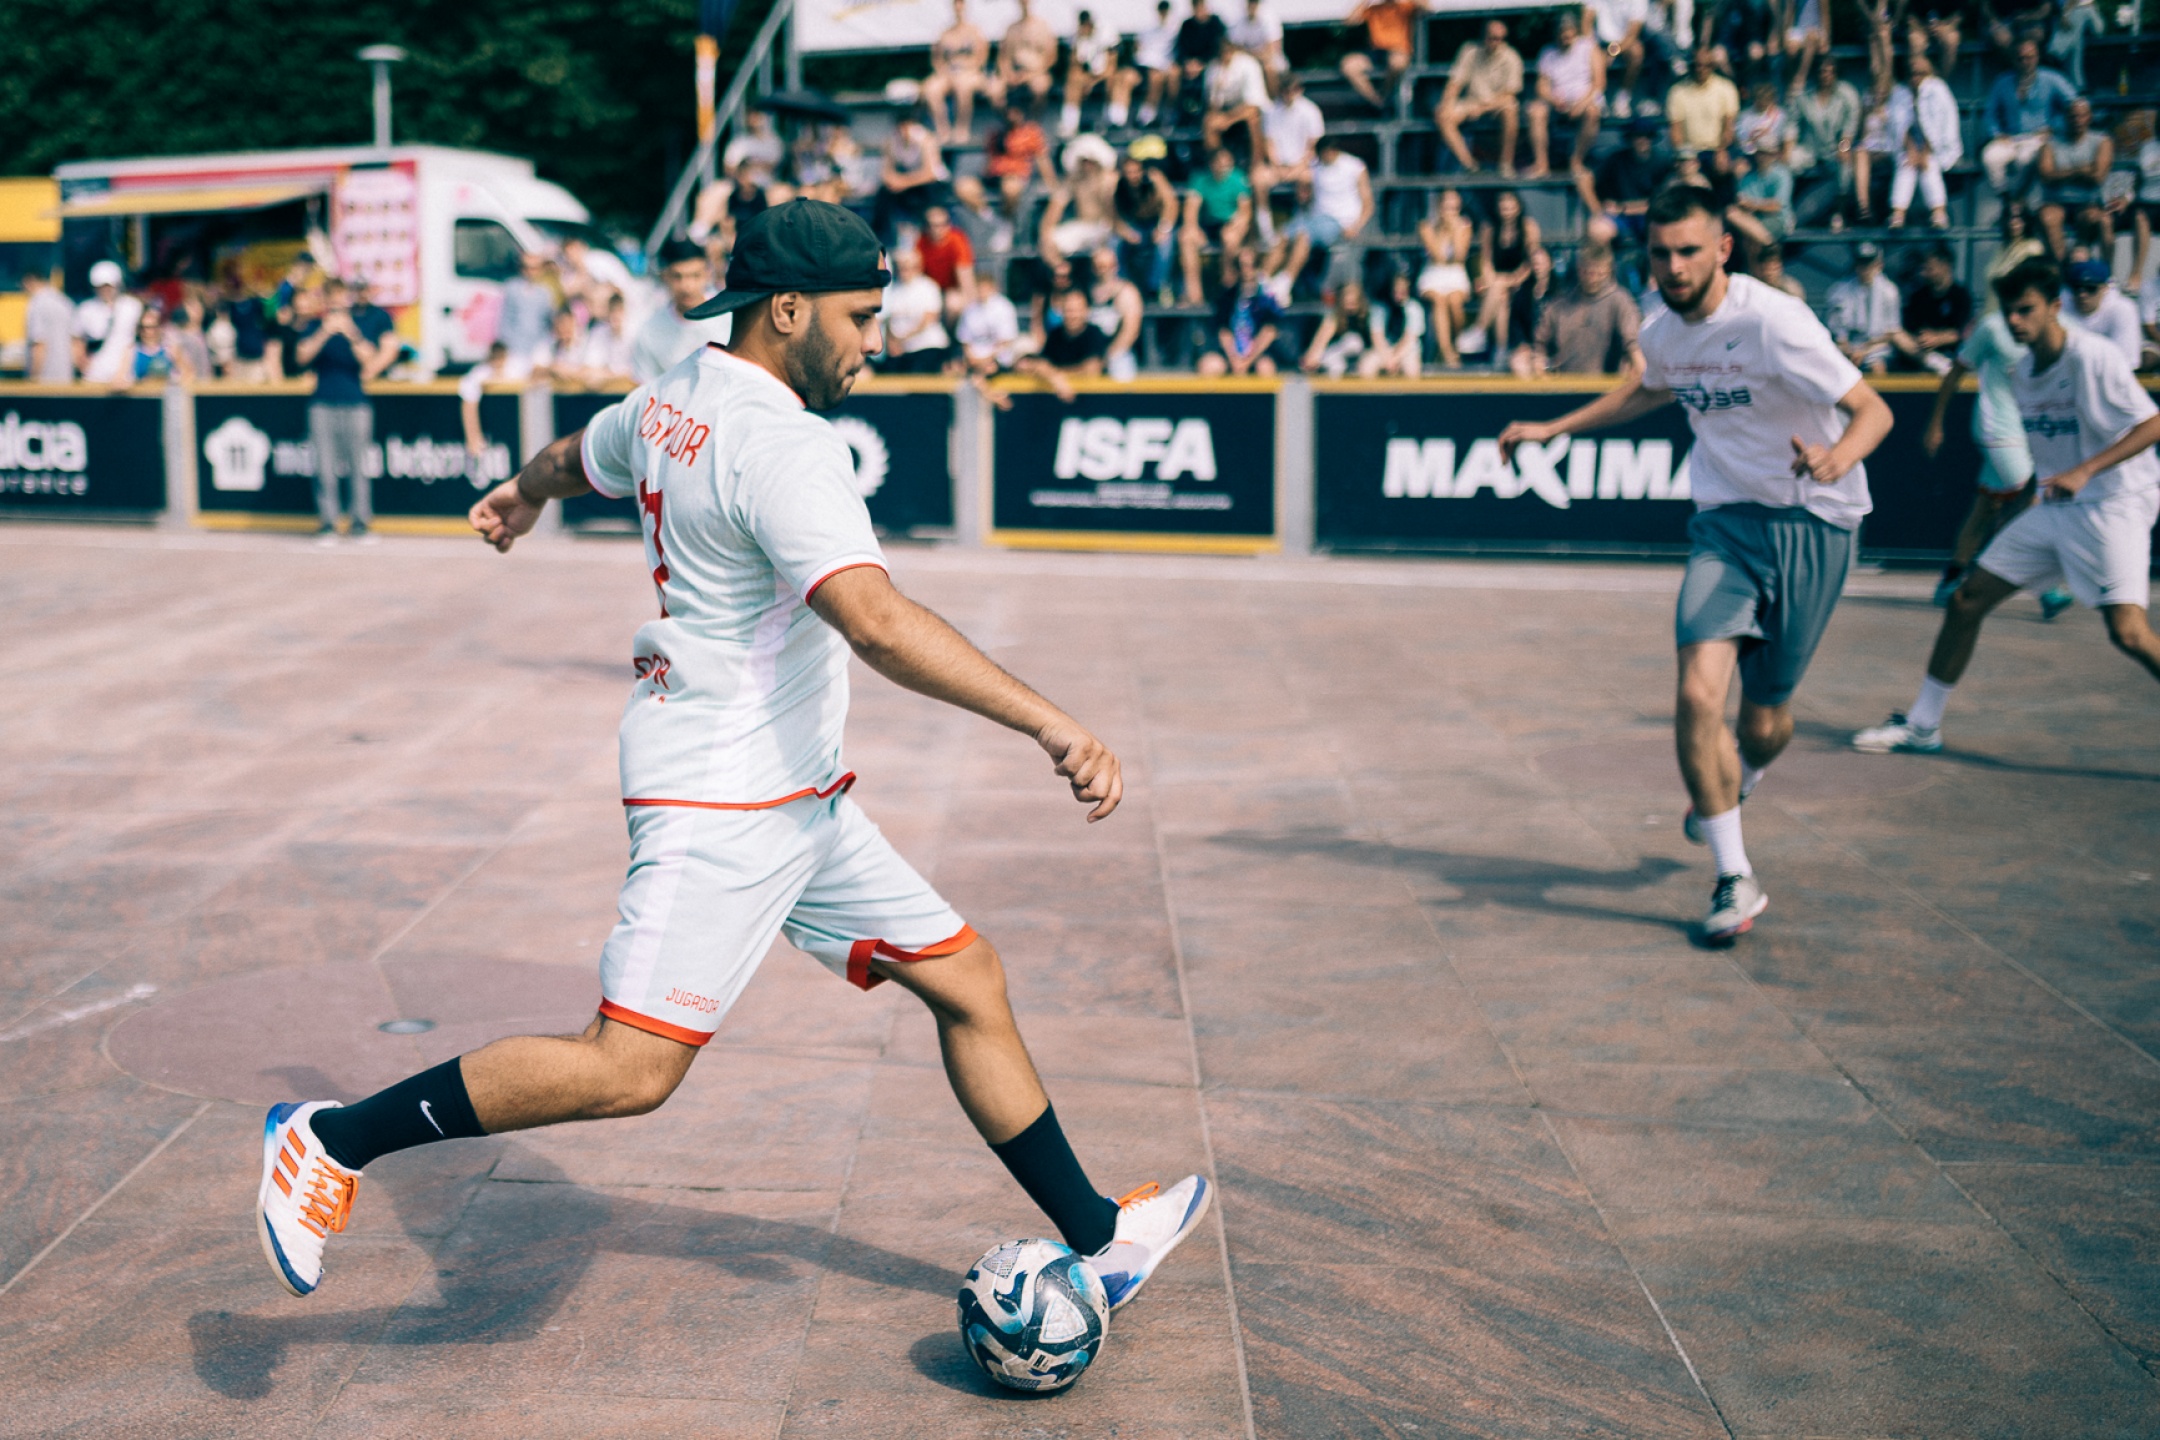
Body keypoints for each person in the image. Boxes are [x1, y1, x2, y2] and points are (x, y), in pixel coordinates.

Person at [260, 200, 1212, 1322]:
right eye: (861, 318)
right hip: (723, 794)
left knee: (968, 981)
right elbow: (876, 623)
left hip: (795, 792)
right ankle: (331, 1139)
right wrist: (1053, 724)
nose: (875, 343)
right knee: (628, 1068)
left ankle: (1100, 1239)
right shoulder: (784, 446)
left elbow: (575, 455)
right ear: (788, 311)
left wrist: (522, 493)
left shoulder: (672, 394)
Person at [1499, 184, 1893, 942]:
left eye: (1688, 252)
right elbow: (1646, 390)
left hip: (1814, 523)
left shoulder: (1774, 322)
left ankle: (1741, 777)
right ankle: (1733, 876)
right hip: (1724, 526)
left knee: (1765, 722)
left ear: (1723, 249)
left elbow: (1875, 409)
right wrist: (1555, 427)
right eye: (1661, 254)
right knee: (1695, 695)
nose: (1674, 267)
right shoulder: (1662, 330)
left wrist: (1838, 458)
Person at [1854, 255, 2160, 754]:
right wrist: (2037, 496)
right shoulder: (2023, 372)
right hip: (2056, 508)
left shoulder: (2092, 357)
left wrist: (2086, 470)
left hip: (2114, 504)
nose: (2015, 321)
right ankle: (1923, 726)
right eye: (2009, 311)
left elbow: (2153, 423)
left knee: (2128, 632)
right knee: (1966, 600)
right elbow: (2051, 451)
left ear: (2055, 307)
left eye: (2026, 310)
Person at [1920, 304, 2034, 606]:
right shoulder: (1992, 327)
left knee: (1986, 507)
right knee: (2032, 498)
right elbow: (1955, 372)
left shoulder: (2057, 327)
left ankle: (1951, 578)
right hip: (1995, 427)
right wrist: (1935, 422)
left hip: (2026, 430)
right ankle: (2043, 587)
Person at [293, 278, 382, 542]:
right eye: (331, 297)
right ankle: (328, 523)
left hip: (356, 403)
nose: (337, 302)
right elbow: (301, 356)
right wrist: (324, 331)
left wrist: (350, 332)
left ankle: (359, 523)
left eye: (341, 297)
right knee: (324, 467)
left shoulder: (360, 325)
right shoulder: (313, 325)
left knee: (358, 467)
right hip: (322, 402)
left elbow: (369, 358)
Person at [1981, 38, 2075, 199]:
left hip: (2039, 137)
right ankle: (2005, 197)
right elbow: (1990, 113)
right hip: (2010, 137)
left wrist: (2055, 126)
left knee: (2025, 160)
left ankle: (2019, 200)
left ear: (2037, 57)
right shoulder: (2002, 82)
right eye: (2021, 58)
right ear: (2014, 59)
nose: (2025, 62)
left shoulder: (2051, 78)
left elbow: (2074, 104)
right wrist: (1996, 133)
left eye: (2029, 57)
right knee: (1990, 156)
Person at [1278, 135, 1371, 296]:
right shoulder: (1314, 167)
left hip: (1339, 222)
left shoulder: (1355, 167)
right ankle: (1264, 282)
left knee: (1303, 236)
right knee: (1281, 237)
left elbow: (1368, 204)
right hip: (1314, 219)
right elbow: (1289, 177)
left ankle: (1284, 284)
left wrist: (1356, 227)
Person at [1531, 242, 1642, 376]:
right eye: (1587, 272)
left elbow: (1633, 344)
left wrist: (1637, 370)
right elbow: (1540, 344)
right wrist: (1538, 362)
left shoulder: (1621, 301)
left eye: (1597, 273)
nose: (1592, 278)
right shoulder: (1560, 304)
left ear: (1608, 270)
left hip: (1608, 384)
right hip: (1565, 383)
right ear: (1579, 268)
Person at [634, 238, 733, 382]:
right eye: (677, 277)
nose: (687, 286)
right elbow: (646, 385)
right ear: (665, 277)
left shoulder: (731, 318)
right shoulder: (650, 331)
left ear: (707, 274)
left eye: (695, 276)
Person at [1435, 18, 1524, 176]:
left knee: (1511, 109)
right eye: (1492, 37)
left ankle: (1505, 165)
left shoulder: (1512, 57)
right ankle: (1470, 165)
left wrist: (1482, 109)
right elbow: (1454, 83)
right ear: (1484, 36)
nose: (1495, 42)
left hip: (1496, 105)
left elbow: (1510, 95)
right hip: (1471, 102)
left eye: (1499, 38)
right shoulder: (1469, 51)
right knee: (1442, 114)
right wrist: (1447, 103)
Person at [1528, 10, 1606, 178]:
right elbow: (1541, 86)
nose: (1565, 35)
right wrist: (1553, 100)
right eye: (1562, 31)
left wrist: (1580, 105)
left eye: (1569, 30)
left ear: (1575, 30)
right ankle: (1541, 164)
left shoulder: (1589, 47)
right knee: (1535, 111)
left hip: (1585, 100)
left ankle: (1576, 161)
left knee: (1592, 112)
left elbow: (1599, 83)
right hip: (1558, 102)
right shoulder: (1547, 53)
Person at [1791, 55, 1862, 227]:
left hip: (1835, 149)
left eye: (1830, 72)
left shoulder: (1848, 94)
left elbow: (1851, 125)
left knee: (1845, 166)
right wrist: (1788, 148)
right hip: (1810, 148)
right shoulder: (1804, 96)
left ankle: (1839, 212)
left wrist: (1843, 147)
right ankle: (1785, 209)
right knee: (1790, 160)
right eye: (1822, 71)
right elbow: (1792, 124)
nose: (1826, 75)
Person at [2037, 99, 2112, 260]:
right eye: (2073, 116)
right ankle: (2060, 267)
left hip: (2088, 202)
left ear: (2089, 117)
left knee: (2094, 217)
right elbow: (2046, 177)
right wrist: (2080, 171)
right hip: (2056, 201)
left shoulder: (2102, 141)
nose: (2077, 120)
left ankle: (2080, 258)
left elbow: (2098, 177)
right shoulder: (2050, 144)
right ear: (2066, 118)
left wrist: (2061, 174)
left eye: (2082, 116)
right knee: (2047, 218)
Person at [1178, 145, 1254, 304]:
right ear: (1211, 164)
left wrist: (1234, 226)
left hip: (1231, 224)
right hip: (1208, 224)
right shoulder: (1200, 179)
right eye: (1220, 163)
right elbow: (1191, 209)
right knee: (1185, 237)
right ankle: (1194, 294)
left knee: (1229, 237)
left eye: (1227, 163)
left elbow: (1245, 213)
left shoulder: (1238, 179)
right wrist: (1193, 228)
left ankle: (1227, 284)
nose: (1223, 167)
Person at [1472, 188, 1539, 364]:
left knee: (1499, 289)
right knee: (1501, 299)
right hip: (1496, 280)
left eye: (1510, 205)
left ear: (1518, 206)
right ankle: (1502, 350)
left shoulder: (1528, 226)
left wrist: (1513, 280)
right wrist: (1492, 280)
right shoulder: (1489, 228)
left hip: (1522, 280)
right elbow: (1486, 260)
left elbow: (1531, 261)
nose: (1507, 209)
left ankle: (1479, 329)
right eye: (1503, 205)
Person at [1587, 116, 1669, 249]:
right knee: (1598, 230)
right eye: (1637, 136)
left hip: (1649, 216)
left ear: (1652, 138)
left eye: (1647, 136)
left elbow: (1659, 202)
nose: (1642, 140)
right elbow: (1589, 179)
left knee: (1665, 229)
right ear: (1630, 139)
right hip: (1619, 217)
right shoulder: (1616, 160)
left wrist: (1623, 208)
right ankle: (1604, 263)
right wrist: (1599, 207)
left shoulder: (1662, 162)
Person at [1199, 245, 1283, 375]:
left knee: (1265, 368)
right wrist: (1234, 359)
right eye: (1241, 266)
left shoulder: (1267, 297)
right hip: (1230, 354)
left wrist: (1248, 361)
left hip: (1257, 354)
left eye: (1252, 265)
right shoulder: (1227, 296)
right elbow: (1224, 330)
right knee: (1208, 365)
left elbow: (1269, 331)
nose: (1246, 270)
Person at [1113, 143, 1181, 302]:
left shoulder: (1155, 178)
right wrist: (1125, 232)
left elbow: (1171, 204)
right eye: (1128, 172)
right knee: (1114, 242)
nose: (1132, 176)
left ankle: (1156, 287)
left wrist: (1163, 229)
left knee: (1165, 243)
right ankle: (1119, 285)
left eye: (1135, 171)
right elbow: (1113, 216)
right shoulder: (1117, 185)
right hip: (1134, 224)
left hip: (1157, 222)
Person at [924, 0, 1000, 141]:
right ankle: (943, 130)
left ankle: (961, 129)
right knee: (931, 88)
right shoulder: (945, 33)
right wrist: (945, 72)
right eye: (955, 4)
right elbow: (937, 58)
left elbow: (982, 56)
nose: (958, 7)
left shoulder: (975, 31)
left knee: (963, 85)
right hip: (948, 73)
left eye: (961, 3)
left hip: (970, 72)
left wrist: (968, 68)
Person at [1416, 187, 1475, 367]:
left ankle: (1454, 345)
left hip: (1456, 274)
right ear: (1439, 206)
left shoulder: (1465, 225)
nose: (1450, 211)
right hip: (1433, 274)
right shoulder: (1426, 226)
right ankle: (1447, 352)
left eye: (1454, 207)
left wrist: (1455, 231)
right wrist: (1443, 230)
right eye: (1447, 207)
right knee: (1439, 300)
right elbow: (1438, 256)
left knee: (1455, 301)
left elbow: (1459, 256)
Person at [1891, 242, 1971, 372]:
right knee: (1897, 335)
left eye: (1929, 269)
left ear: (1945, 266)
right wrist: (1922, 338)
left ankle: (1943, 364)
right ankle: (1935, 362)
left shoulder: (1961, 296)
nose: (1923, 274)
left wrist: (1937, 338)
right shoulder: (1918, 296)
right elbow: (1910, 329)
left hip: (1951, 353)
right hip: (1922, 353)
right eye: (1923, 269)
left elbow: (1961, 332)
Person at [1019, 286, 1110, 399]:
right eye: (1068, 310)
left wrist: (1057, 376)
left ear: (1087, 310)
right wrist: (1054, 377)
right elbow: (1040, 364)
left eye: (1076, 310)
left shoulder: (1095, 334)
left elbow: (1092, 370)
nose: (1072, 315)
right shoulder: (1055, 335)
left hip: (1093, 400)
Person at [1039, 135, 1120, 258]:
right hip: (1083, 226)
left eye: (1091, 161)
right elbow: (1056, 205)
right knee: (1049, 242)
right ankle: (1061, 268)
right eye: (1084, 161)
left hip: (1107, 227)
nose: (1088, 165)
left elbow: (1115, 212)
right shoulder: (1074, 180)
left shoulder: (1110, 179)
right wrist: (1046, 232)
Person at [1827, 241, 1901, 370]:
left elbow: (1890, 333)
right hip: (1848, 346)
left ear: (1879, 264)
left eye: (1870, 263)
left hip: (1876, 345)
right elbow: (1839, 335)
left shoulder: (1889, 291)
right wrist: (1850, 350)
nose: (1866, 268)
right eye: (1862, 263)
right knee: (1836, 361)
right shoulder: (1839, 291)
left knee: (1877, 364)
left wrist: (1864, 350)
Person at [879, 244, 952, 374]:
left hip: (926, 346)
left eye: (907, 267)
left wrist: (903, 339)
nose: (903, 271)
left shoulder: (928, 287)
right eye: (901, 267)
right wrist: (892, 342)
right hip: (901, 350)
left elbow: (928, 319)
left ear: (917, 267)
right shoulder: (894, 289)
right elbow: (888, 319)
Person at [1061, 9, 1136, 135]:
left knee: (1116, 80)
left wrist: (1091, 83)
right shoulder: (1077, 37)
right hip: (1091, 74)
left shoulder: (1107, 34)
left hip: (1110, 73)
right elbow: (1074, 67)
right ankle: (1069, 124)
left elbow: (1111, 68)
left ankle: (1116, 122)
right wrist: (1077, 44)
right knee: (1073, 80)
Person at [874, 117, 948, 242]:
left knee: (929, 193)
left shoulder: (926, 140)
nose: (905, 131)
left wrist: (902, 183)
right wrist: (894, 181)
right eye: (902, 127)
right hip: (909, 182)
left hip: (932, 184)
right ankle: (882, 236)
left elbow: (930, 174)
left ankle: (927, 235)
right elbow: (886, 172)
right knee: (884, 192)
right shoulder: (891, 141)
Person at [2062, 257, 2143, 369]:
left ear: (2105, 288)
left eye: (2091, 288)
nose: (2082, 295)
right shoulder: (2061, 307)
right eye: (2076, 288)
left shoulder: (2122, 309)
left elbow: (2127, 360)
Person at [1341, 0, 1421, 111]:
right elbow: (1350, 21)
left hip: (1398, 50)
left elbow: (1426, 8)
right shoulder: (1373, 7)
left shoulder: (1405, 6)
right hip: (1375, 51)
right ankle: (1378, 102)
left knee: (1397, 62)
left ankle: (1385, 93)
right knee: (1349, 66)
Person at [74, 260, 141, 384]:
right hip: (94, 377)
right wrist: (82, 364)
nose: (105, 290)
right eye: (100, 286)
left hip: (126, 377)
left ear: (118, 284)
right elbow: (77, 340)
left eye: (109, 285)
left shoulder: (133, 306)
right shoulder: (85, 309)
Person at [1664, 47, 1738, 161]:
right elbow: (1675, 131)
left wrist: (1721, 150)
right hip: (1689, 153)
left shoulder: (1727, 88)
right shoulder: (1677, 91)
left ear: (1712, 66)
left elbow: (1728, 128)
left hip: (1717, 151)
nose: (1701, 69)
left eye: (1706, 65)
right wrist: (1684, 156)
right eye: (1697, 65)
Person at [1202, 35, 1269, 158]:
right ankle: (1218, 162)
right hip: (1227, 112)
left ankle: (1257, 163)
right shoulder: (1212, 69)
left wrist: (1229, 120)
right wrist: (1217, 89)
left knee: (1253, 119)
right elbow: (1212, 107)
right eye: (1222, 51)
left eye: (1228, 50)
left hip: (1251, 111)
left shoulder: (1249, 64)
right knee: (1209, 121)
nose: (1225, 54)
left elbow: (1253, 106)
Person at [983, 101, 1055, 217]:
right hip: (996, 177)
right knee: (965, 186)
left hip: (1018, 176)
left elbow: (1042, 159)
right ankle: (990, 218)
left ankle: (1006, 221)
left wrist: (1051, 183)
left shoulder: (1031, 132)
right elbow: (989, 160)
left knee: (1010, 189)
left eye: (1015, 113)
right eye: (1009, 113)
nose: (1011, 116)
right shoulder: (996, 133)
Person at [1257, 75, 1325, 190]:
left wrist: (1298, 169)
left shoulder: (1312, 110)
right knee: (1258, 179)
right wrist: (1277, 168)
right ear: (1280, 91)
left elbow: (1313, 147)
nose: (1289, 94)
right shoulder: (1270, 111)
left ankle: (1305, 203)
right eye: (1286, 91)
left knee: (1309, 178)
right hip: (1278, 166)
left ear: (1300, 90)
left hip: (1305, 166)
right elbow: (1269, 143)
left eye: (1294, 90)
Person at [1087, 245, 1144, 381]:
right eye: (1099, 266)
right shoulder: (1086, 291)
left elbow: (1131, 331)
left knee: (1120, 366)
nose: (1104, 270)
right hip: (1089, 351)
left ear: (1116, 266)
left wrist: (1107, 357)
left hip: (1117, 352)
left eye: (1109, 265)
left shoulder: (1127, 292)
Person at [497, 251, 558, 376]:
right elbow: (504, 319)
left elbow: (549, 322)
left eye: (535, 268)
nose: (530, 271)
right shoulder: (511, 288)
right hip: (515, 348)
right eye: (526, 267)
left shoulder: (546, 293)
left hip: (538, 348)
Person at [1586, 0, 1649, 118]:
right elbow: (1587, 21)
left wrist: (1611, 53)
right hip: (1600, 43)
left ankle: (1622, 99)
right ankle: (1598, 99)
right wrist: (1592, 48)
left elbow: (1632, 34)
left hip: (1624, 43)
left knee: (1637, 52)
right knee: (1590, 54)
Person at [956, 272, 1025, 377]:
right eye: (979, 287)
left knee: (989, 369)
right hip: (974, 359)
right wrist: (972, 358)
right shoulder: (969, 309)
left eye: (985, 288)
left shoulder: (1004, 307)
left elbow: (1006, 341)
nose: (981, 291)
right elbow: (965, 341)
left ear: (993, 288)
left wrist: (985, 360)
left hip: (998, 359)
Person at [1505, 247, 1559, 377]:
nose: (1537, 267)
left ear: (1550, 264)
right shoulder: (1522, 293)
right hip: (1528, 346)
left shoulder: (1560, 294)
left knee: (1540, 365)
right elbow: (1515, 323)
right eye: (1535, 264)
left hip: (1551, 347)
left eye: (1541, 263)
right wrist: (1522, 344)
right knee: (1519, 364)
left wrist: (1544, 348)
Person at [996, 0, 1059, 111]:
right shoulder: (1012, 28)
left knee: (1040, 86)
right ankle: (1013, 119)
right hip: (1015, 72)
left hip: (1037, 72)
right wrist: (1009, 74)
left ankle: (1033, 119)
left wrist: (1030, 75)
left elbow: (1051, 57)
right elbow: (1003, 57)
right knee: (994, 89)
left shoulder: (1042, 27)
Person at [1300, 279, 1372, 375]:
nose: (1350, 300)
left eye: (1354, 300)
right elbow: (1320, 341)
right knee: (1338, 363)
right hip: (1332, 356)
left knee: (1355, 343)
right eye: (1347, 296)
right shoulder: (1333, 318)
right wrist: (1311, 358)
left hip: (1360, 358)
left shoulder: (1367, 317)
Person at [1364, 266, 1426, 377]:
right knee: (1367, 365)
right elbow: (1377, 336)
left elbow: (1410, 339)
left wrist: (1395, 358)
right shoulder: (1379, 308)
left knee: (1412, 368)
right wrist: (1387, 358)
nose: (1398, 295)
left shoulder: (1414, 309)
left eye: (1402, 291)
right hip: (1383, 350)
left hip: (1407, 351)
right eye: (1396, 291)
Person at [22, 268, 75, 383]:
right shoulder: (65, 302)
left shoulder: (37, 304)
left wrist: (33, 378)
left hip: (44, 379)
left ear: (29, 281)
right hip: (66, 377)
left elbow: (39, 344)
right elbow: (75, 342)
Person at [1134, 0, 1182, 125]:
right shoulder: (1148, 29)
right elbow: (1140, 51)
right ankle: (1147, 115)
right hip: (1151, 66)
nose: (1163, 13)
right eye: (1162, 11)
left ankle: (1170, 113)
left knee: (1173, 77)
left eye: (1165, 11)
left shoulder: (1177, 28)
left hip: (1170, 65)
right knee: (1155, 78)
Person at [1227, 0, 1286, 88]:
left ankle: (1273, 96)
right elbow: (1235, 47)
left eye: (1254, 3)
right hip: (1248, 59)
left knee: (1269, 68)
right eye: (1250, 3)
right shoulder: (1239, 22)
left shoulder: (1269, 19)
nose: (1252, 6)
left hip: (1270, 59)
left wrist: (1252, 55)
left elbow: (1272, 50)